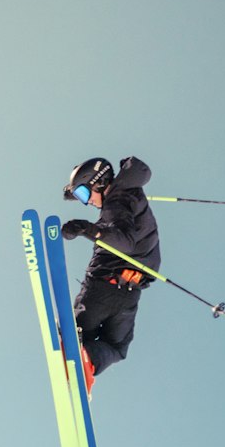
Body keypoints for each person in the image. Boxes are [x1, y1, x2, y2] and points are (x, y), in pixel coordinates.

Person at [61, 156, 161, 390]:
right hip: (129, 295)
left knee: (76, 333)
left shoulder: (116, 201)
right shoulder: (131, 196)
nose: (88, 203)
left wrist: (86, 228)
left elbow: (124, 241)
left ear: (98, 183)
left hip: (103, 287)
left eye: (86, 196)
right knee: (116, 348)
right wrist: (73, 191)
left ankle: (75, 348)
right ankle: (89, 361)